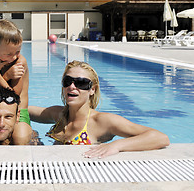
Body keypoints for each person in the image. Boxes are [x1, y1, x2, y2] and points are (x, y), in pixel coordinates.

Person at [28, 60, 170, 158]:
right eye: (67, 81)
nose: (72, 86)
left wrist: (117, 145)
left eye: (81, 83)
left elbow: (160, 138)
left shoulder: (102, 121)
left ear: (92, 90)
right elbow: (23, 110)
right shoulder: (59, 114)